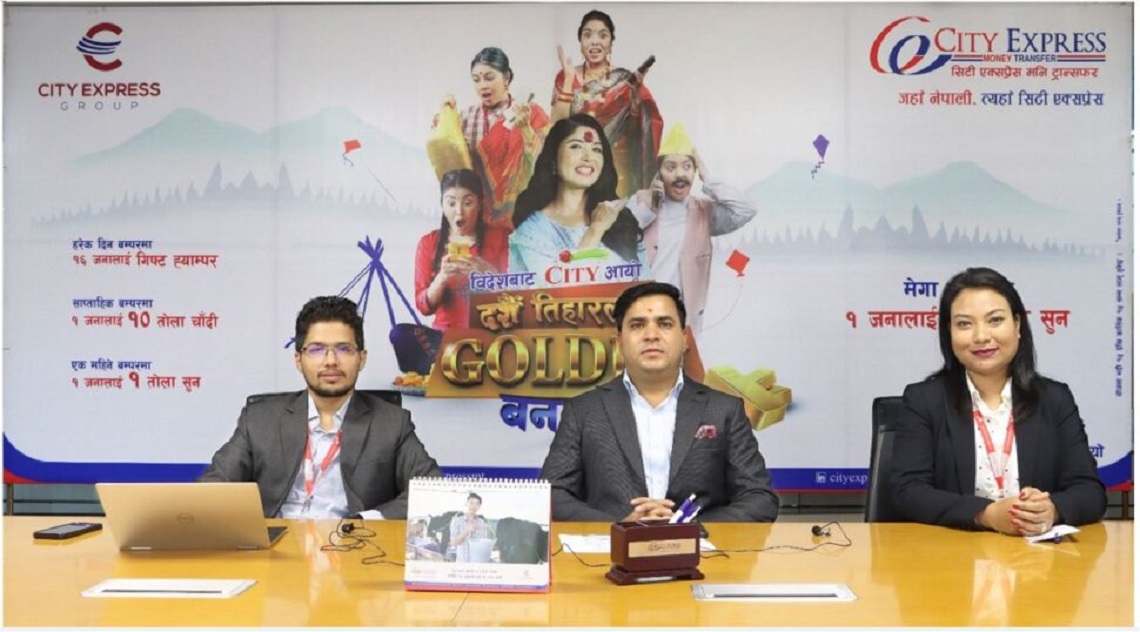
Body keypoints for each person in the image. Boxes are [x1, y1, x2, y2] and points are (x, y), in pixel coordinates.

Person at [890, 267, 1106, 534]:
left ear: (1017, 325)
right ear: (949, 332)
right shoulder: (924, 401)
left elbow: (1090, 491)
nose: (981, 336)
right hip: (953, 552)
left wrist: (1052, 510)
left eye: (995, 320)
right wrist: (986, 514)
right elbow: (907, 492)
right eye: (964, 324)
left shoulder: (1054, 399)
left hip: (1037, 555)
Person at [540, 281, 779, 522]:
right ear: (619, 342)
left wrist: (687, 529)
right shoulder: (584, 411)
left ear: (685, 339)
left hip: (701, 545)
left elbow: (759, 498)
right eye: (637, 325)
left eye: (664, 324)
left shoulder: (724, 410)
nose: (651, 335)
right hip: (610, 545)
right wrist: (619, 527)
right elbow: (550, 495)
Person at [199, 296, 442, 519]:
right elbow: (214, 487)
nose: (331, 361)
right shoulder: (260, 420)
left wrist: (365, 521)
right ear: (298, 360)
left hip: (351, 545)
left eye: (344, 349)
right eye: (316, 349)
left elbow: (432, 490)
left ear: (362, 358)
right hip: (275, 547)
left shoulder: (391, 423)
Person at [627, 122, 758, 336]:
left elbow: (746, 209)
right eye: (671, 167)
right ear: (658, 173)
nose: (680, 174)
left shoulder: (704, 211)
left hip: (684, 321)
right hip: (643, 312)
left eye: (687, 167)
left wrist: (707, 177)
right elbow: (618, 237)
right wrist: (649, 205)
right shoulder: (641, 201)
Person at [508, 113, 646, 282]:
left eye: (596, 149)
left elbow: (643, 281)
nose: (588, 157)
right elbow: (560, 288)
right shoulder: (532, 231)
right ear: (553, 160)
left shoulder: (620, 220)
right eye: (576, 147)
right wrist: (596, 229)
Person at [551, 10, 663, 199]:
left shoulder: (625, 79)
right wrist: (569, 80)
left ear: (611, 43)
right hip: (578, 168)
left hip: (618, 171)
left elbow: (637, 134)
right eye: (588, 35)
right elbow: (556, 127)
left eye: (602, 35)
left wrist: (635, 102)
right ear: (580, 42)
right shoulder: (567, 75)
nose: (595, 41)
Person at [435, 47, 551, 228]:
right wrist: (445, 122)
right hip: (478, 219)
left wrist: (526, 129)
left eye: (489, 78)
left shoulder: (531, 113)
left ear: (506, 78)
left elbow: (549, 163)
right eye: (476, 79)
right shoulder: (465, 118)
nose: (482, 85)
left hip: (523, 217)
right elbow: (453, 169)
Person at [415, 169, 510, 331]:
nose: (459, 211)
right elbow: (423, 307)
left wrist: (489, 274)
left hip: (490, 335)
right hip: (446, 337)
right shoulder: (428, 243)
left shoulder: (502, 237)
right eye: (451, 203)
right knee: (400, 333)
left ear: (480, 204)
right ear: (442, 205)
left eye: (467, 203)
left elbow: (521, 298)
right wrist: (441, 278)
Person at [448, 492, 496, 562]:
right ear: (466, 504)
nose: (473, 506)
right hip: (462, 564)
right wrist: (467, 530)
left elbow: (484, 545)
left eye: (477, 504)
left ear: (479, 506)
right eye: (471, 503)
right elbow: (453, 543)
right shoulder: (457, 520)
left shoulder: (481, 522)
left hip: (478, 564)